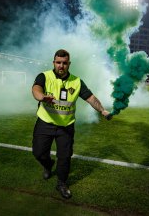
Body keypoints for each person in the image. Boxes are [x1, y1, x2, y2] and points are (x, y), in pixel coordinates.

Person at [31, 49, 111, 199]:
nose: (61, 66)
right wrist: (42, 97)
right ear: (54, 63)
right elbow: (36, 89)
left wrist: (103, 110)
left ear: (69, 64)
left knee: (65, 156)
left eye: (64, 63)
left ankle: (61, 183)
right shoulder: (44, 76)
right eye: (58, 62)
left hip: (66, 127)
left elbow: (91, 98)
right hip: (45, 123)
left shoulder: (77, 81)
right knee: (38, 153)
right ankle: (47, 165)